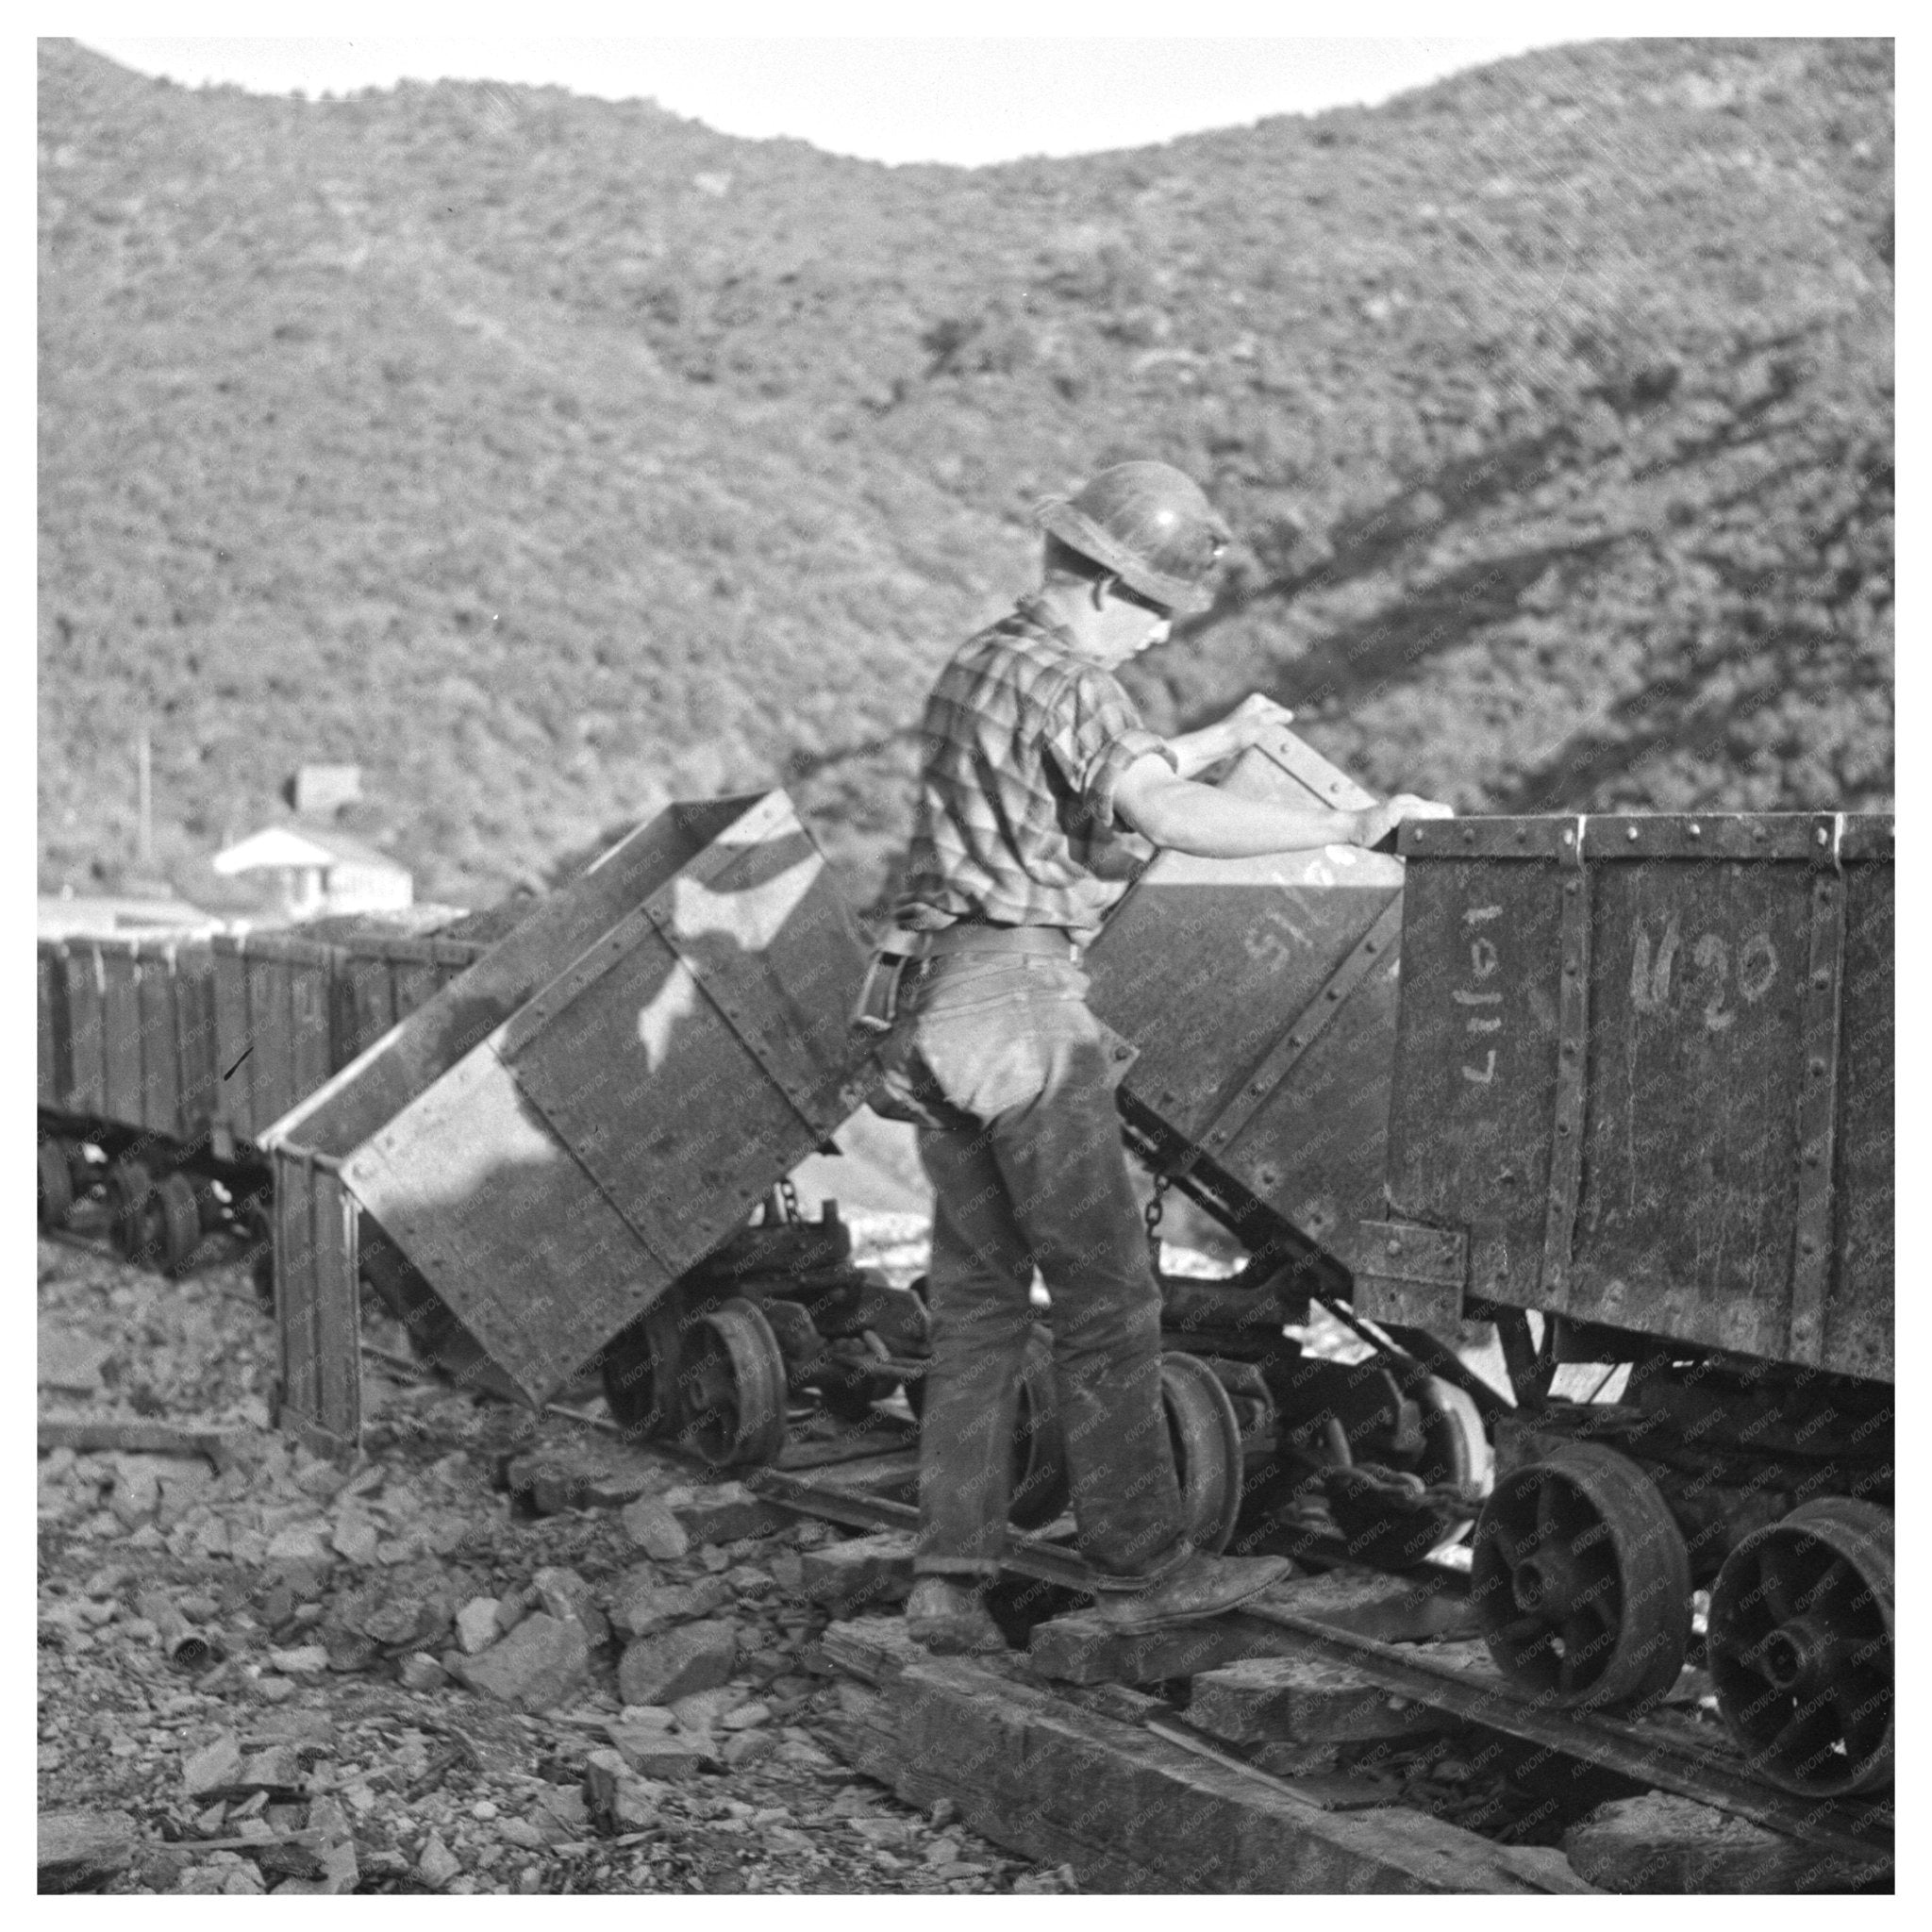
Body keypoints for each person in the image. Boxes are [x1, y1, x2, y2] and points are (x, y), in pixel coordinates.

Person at [865, 459, 1452, 1654]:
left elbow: (1091, 774)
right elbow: (1158, 814)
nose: (1153, 636)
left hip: (937, 1002)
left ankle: (947, 1582)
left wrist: (1221, 735)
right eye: (1154, 612)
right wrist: (1347, 825)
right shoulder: (1078, 682)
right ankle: (1139, 1563)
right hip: (1025, 998)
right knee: (1107, 1295)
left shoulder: (980, 662)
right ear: (1104, 585)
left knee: (978, 1307)